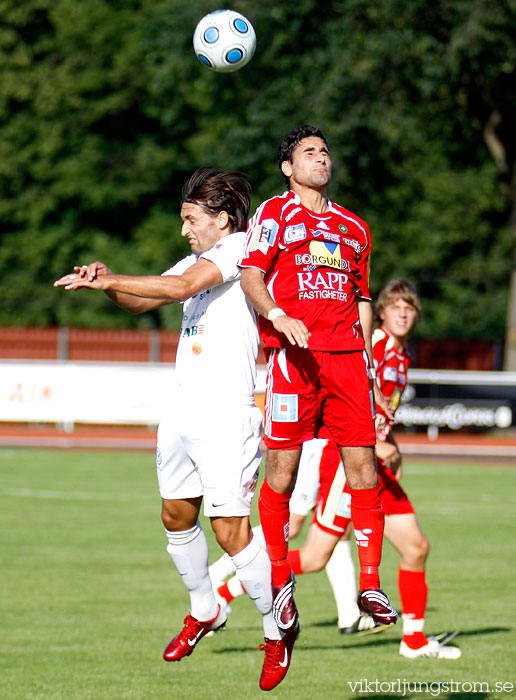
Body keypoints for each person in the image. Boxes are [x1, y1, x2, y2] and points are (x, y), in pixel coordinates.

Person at [53, 167, 296, 691]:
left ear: (222, 219)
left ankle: (277, 629)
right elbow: (149, 298)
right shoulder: (194, 258)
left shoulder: (238, 251)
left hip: (226, 414)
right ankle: (204, 610)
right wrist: (107, 284)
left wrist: (116, 280)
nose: (184, 229)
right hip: (183, 413)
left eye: (190, 219)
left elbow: (182, 287)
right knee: (175, 515)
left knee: (230, 531)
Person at [238, 125, 398, 640]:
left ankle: (371, 584)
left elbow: (364, 300)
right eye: (309, 152)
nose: (321, 158)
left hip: (349, 360)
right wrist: (278, 315)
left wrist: (371, 370)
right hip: (293, 359)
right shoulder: (274, 213)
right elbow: (251, 275)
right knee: (280, 475)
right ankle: (280, 580)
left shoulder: (356, 227)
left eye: (325, 151)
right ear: (288, 167)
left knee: (363, 469)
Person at [281, 279, 462, 658]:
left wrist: (389, 442)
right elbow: (347, 389)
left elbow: (381, 409)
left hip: (378, 466)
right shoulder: (373, 344)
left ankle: (413, 641)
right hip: (349, 462)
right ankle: (231, 584)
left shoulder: (402, 354)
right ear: (381, 311)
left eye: (409, 308)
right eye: (395, 306)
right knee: (314, 558)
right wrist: (372, 440)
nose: (402, 313)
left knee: (416, 547)